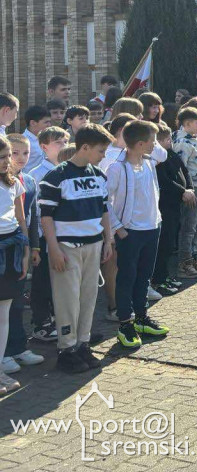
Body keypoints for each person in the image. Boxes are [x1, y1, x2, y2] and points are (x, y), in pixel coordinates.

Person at [39, 123, 115, 373]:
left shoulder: (98, 175)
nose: (103, 155)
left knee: (88, 297)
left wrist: (108, 239)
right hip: (66, 248)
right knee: (67, 300)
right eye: (101, 151)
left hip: (93, 245)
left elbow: (103, 209)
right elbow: (46, 216)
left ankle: (83, 343)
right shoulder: (56, 176)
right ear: (85, 147)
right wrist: (54, 249)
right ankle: (67, 347)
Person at [105, 120, 170, 349]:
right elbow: (106, 201)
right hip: (130, 232)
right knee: (127, 278)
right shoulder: (117, 168)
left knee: (144, 276)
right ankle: (126, 324)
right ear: (140, 144)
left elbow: (163, 154)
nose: (155, 145)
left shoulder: (150, 161)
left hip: (152, 227)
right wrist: (118, 228)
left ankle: (142, 318)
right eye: (152, 141)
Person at [1, 135, 45, 377]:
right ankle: (5, 353)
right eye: (11, 154)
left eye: (23, 154)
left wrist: (32, 248)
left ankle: (17, 347)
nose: (16, 159)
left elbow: (30, 218)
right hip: (5, 247)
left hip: (18, 248)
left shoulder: (26, 181)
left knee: (15, 304)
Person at [27, 126, 68, 342]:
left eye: (65, 141)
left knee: (60, 281)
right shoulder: (37, 174)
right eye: (58, 142)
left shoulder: (67, 170)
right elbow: (37, 211)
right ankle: (41, 323)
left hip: (64, 235)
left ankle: (58, 319)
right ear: (44, 147)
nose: (63, 145)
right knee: (42, 281)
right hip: (45, 236)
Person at [0, 136, 31, 393]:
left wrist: (26, 252)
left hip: (11, 249)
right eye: (1, 157)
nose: (6, 162)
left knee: (4, 313)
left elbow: (21, 220)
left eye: (7, 156)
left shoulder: (14, 182)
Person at [173, 106, 197, 279]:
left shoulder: (196, 140)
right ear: (187, 123)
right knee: (189, 227)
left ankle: (194, 257)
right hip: (193, 188)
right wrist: (186, 189)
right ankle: (184, 263)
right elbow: (180, 169)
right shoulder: (182, 143)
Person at [153, 123, 193, 296]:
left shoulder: (172, 155)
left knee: (170, 243)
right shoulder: (157, 161)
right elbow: (164, 181)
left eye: (169, 138)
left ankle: (165, 276)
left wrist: (189, 188)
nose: (170, 142)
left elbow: (185, 171)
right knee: (164, 243)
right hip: (166, 205)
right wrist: (182, 191)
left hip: (176, 204)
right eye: (166, 140)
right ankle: (158, 279)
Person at [23, 105, 49, 172]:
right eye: (46, 122)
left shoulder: (48, 138)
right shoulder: (23, 141)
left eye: (50, 122)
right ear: (33, 123)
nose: (49, 125)